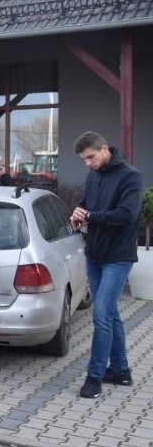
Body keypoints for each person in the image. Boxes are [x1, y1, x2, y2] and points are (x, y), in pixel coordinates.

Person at [71, 132, 143, 399]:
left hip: (119, 257)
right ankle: (121, 371)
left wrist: (91, 216)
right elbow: (87, 205)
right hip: (95, 255)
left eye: (90, 157)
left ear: (104, 149)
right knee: (110, 315)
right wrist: (78, 213)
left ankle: (95, 377)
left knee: (101, 315)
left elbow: (127, 214)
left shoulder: (130, 176)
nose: (87, 163)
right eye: (84, 160)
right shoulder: (94, 174)